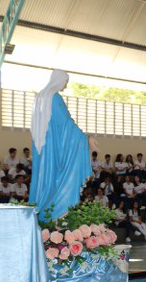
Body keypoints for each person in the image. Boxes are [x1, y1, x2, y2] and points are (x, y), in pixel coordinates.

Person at [30, 69, 97, 221]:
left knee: (43, 179)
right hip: (52, 149)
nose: (65, 86)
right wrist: (85, 139)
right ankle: (53, 216)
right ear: (59, 80)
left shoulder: (40, 97)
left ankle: (41, 213)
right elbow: (66, 124)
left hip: (42, 149)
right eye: (65, 82)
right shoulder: (54, 97)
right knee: (54, 180)